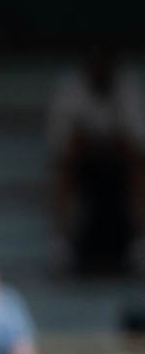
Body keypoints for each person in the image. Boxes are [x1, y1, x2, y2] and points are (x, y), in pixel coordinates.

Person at [47, 49, 145, 276]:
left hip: (119, 165)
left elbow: (135, 144)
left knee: (138, 168)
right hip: (84, 167)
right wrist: (101, 143)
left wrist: (102, 143)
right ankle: (61, 246)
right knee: (63, 169)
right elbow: (62, 146)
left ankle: (140, 244)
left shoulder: (127, 87)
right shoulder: (70, 88)